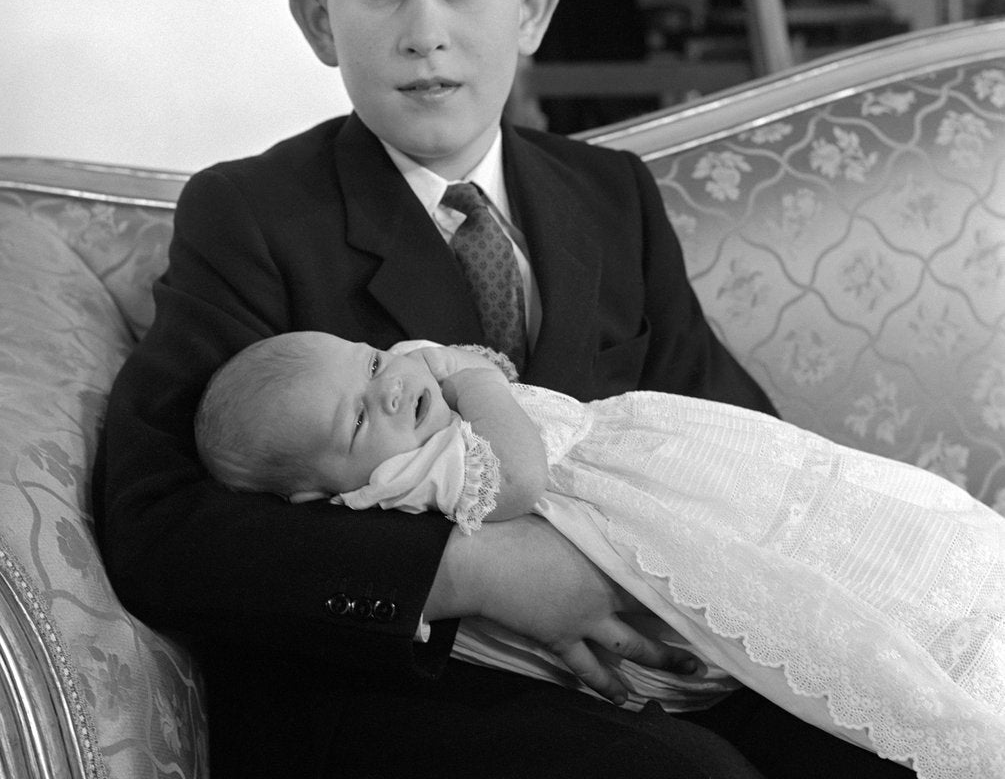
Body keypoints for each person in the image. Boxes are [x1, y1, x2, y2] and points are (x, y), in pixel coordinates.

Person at [94, 0, 911, 779]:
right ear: (319, 19)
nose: (424, 31)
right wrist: (472, 568)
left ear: (531, 8)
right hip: (409, 685)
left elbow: (735, 440)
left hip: (650, 656)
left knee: (886, 737)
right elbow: (159, 524)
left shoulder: (610, 198)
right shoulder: (255, 215)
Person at [195, 331, 1004, 778]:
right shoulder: (404, 480)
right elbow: (515, 476)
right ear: (319, 497)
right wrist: (473, 381)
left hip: (670, 483)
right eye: (356, 419)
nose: (386, 389)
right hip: (622, 582)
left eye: (371, 361)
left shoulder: (611, 193)